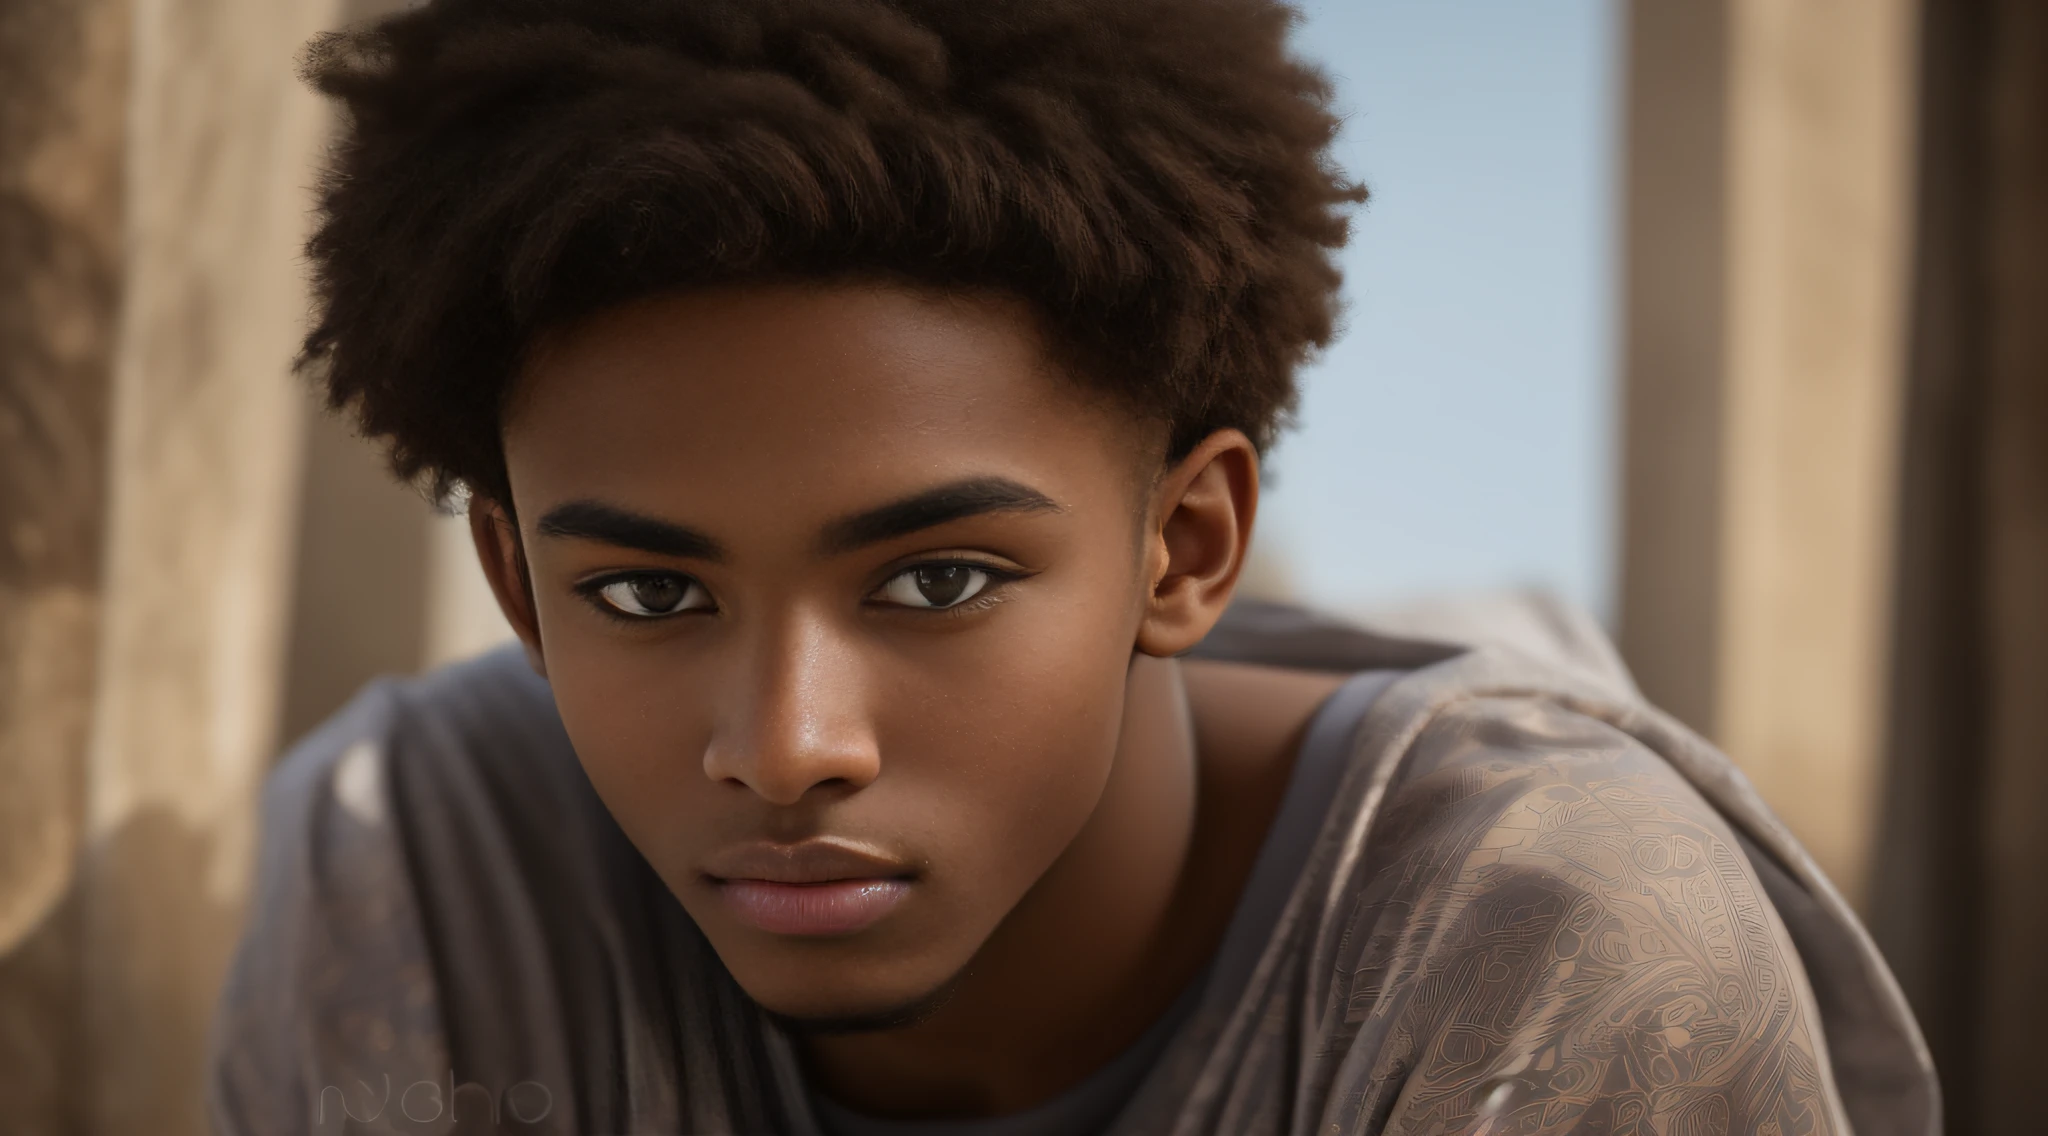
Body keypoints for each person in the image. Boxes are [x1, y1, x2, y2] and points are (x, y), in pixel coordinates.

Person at [209, 1, 1937, 1133]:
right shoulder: (416, 879)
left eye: (937, 581)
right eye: (651, 596)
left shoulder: (1553, 943)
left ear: (1185, 548)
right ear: (515, 590)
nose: (790, 742)